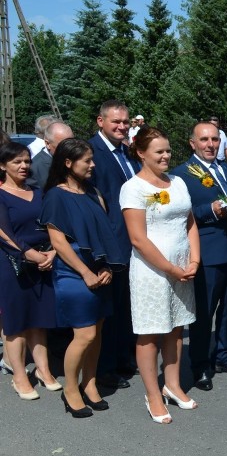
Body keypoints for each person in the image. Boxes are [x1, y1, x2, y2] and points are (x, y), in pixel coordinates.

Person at [41, 138, 126, 418]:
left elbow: (104, 233)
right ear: (68, 163)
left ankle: (89, 384)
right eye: (86, 161)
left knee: (98, 331)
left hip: (98, 270)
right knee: (85, 333)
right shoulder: (56, 195)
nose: (93, 165)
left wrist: (105, 268)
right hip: (73, 272)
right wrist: (86, 272)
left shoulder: (92, 192)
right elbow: (59, 243)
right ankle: (70, 390)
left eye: (92, 159)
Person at [120, 127, 199, 424]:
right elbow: (138, 239)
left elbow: (189, 222)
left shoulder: (177, 181)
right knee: (150, 332)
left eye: (167, 150)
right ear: (141, 153)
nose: (166, 155)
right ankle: (153, 394)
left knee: (176, 327)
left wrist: (194, 259)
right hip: (152, 271)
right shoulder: (133, 188)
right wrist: (171, 269)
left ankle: (173, 385)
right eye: (159, 151)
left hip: (182, 267)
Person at [172, 121, 227, 392]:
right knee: (203, 314)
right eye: (204, 140)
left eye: (214, 140)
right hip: (207, 252)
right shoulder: (180, 175)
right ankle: (199, 364)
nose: (210, 145)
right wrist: (211, 210)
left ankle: (225, 355)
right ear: (193, 143)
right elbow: (181, 213)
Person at [0, 142, 58, 400]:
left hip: (44, 260)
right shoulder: (1, 194)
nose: (24, 166)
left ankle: (44, 371)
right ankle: (19, 375)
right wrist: (28, 253)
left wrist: (54, 251)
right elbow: (2, 232)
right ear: (3, 166)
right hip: (13, 264)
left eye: (26, 161)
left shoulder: (38, 192)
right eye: (17, 162)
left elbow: (53, 224)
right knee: (16, 322)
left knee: (39, 318)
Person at [89, 100, 140, 389]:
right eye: (115, 122)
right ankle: (105, 368)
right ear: (100, 122)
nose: (122, 127)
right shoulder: (91, 152)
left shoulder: (126, 151)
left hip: (133, 242)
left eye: (125, 122)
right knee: (109, 310)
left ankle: (124, 358)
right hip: (111, 244)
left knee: (126, 307)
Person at [28, 121, 73, 189]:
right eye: (64, 144)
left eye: (72, 143)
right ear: (48, 144)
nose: (70, 148)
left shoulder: (74, 160)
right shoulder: (34, 169)